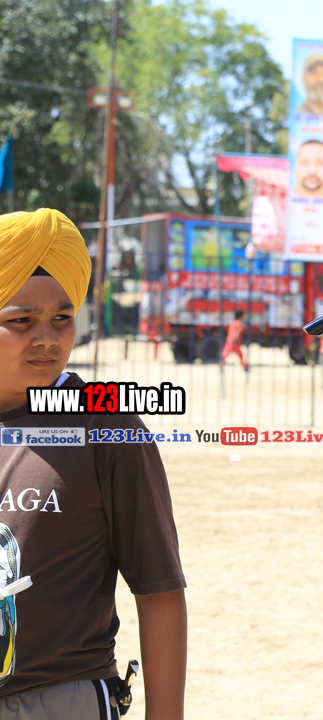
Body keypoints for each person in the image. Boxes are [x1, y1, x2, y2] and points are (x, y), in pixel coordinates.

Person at [0, 209, 187, 718]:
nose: (47, 337)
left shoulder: (107, 428)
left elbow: (159, 590)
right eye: (21, 320)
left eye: (62, 318)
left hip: (59, 699)